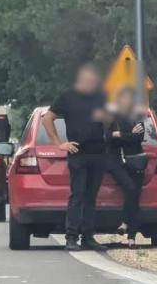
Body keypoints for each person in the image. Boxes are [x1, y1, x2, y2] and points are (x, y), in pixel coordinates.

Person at [44, 64, 110, 251]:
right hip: (78, 152)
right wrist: (59, 143)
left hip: (99, 152)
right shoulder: (67, 97)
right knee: (78, 195)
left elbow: (112, 119)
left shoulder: (101, 97)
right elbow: (47, 118)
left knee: (91, 197)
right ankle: (71, 237)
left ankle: (88, 236)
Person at [105, 90, 147, 248]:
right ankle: (124, 223)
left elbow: (139, 137)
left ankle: (131, 237)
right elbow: (108, 138)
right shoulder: (111, 117)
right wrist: (128, 134)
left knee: (135, 196)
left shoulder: (137, 116)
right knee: (130, 189)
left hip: (136, 160)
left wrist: (120, 135)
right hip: (116, 161)